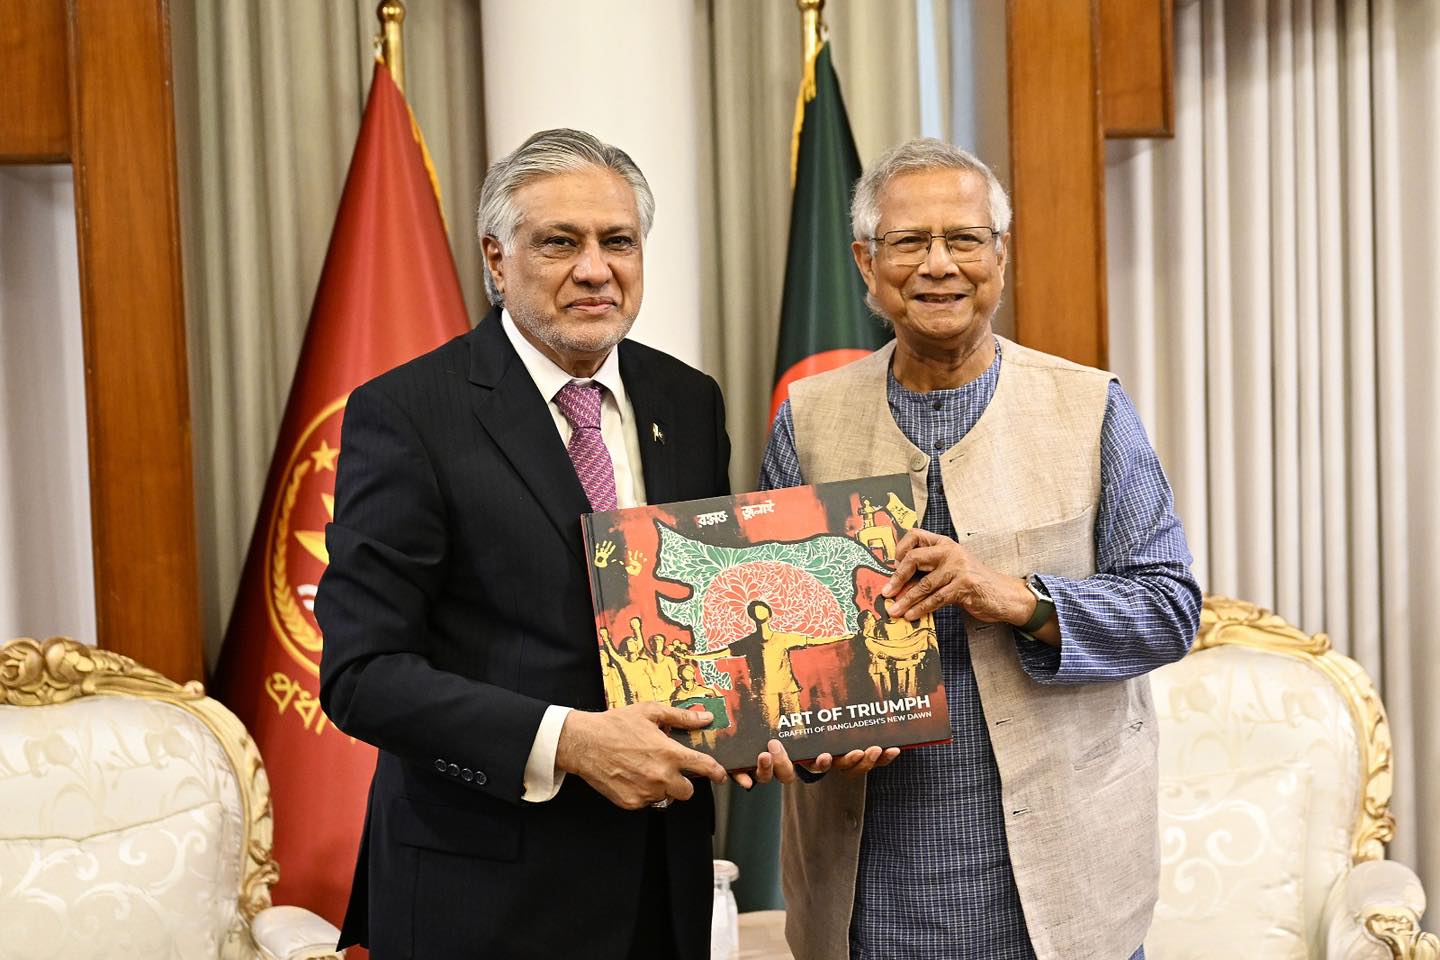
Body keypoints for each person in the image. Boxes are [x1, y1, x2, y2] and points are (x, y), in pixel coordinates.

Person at [753, 138, 1202, 960]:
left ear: (1000, 253)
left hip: (1063, 890)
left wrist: (1023, 600)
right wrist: (810, 746)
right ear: (864, 260)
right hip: (870, 894)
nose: (938, 265)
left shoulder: (1089, 406)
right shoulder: (806, 419)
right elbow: (772, 639)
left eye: (963, 238)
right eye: (908, 242)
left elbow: (1170, 610)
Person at [316, 128, 732, 960]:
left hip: (661, 888)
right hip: (483, 899)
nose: (594, 268)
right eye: (559, 243)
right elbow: (362, 675)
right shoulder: (407, 413)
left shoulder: (686, 400)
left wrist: (790, 729)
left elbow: (703, 615)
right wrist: (570, 743)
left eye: (618, 241)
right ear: (496, 259)